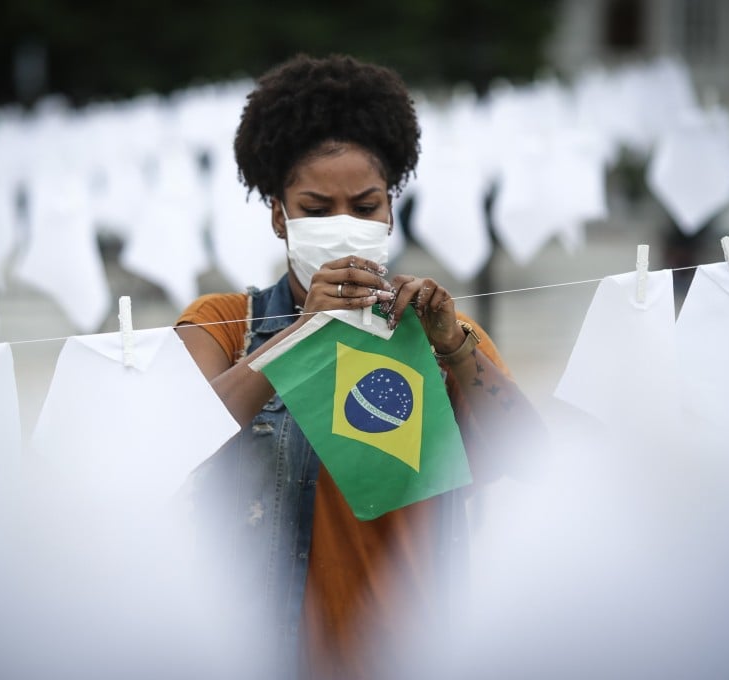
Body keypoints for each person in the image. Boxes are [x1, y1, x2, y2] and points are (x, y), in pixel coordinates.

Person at [176, 53, 539, 679]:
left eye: (365, 205)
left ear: (392, 209)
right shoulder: (225, 323)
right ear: (277, 214)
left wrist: (453, 348)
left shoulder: (443, 335)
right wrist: (302, 336)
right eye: (316, 210)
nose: (343, 225)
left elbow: (530, 459)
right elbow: (172, 442)